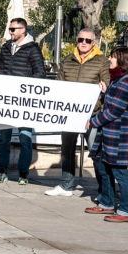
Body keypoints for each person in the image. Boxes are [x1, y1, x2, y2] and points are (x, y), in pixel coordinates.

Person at [47, 29, 111, 197]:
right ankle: (66, 186)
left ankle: (105, 189)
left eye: (88, 40)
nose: (83, 42)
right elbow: (59, 84)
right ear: (76, 40)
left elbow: (107, 84)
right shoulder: (68, 60)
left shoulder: (102, 61)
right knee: (66, 150)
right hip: (70, 115)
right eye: (81, 39)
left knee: (96, 153)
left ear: (94, 43)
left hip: (93, 115)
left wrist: (103, 91)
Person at [85, 47, 128, 223]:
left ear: (123, 60)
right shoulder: (118, 80)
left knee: (120, 172)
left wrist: (93, 122)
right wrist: (105, 91)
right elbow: (112, 103)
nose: (110, 59)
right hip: (109, 133)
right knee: (104, 169)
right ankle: (107, 203)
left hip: (120, 134)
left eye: (113, 57)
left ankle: (126, 211)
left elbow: (114, 111)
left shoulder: (127, 82)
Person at [0, 18, 45, 184]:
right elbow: (1, 70)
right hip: (6, 100)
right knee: (4, 138)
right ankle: (2, 170)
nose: (10, 32)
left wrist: (23, 87)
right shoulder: (6, 47)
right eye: (9, 29)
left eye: (13, 29)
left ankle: (23, 172)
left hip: (24, 101)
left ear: (23, 30)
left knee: (25, 138)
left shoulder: (33, 49)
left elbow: (40, 73)